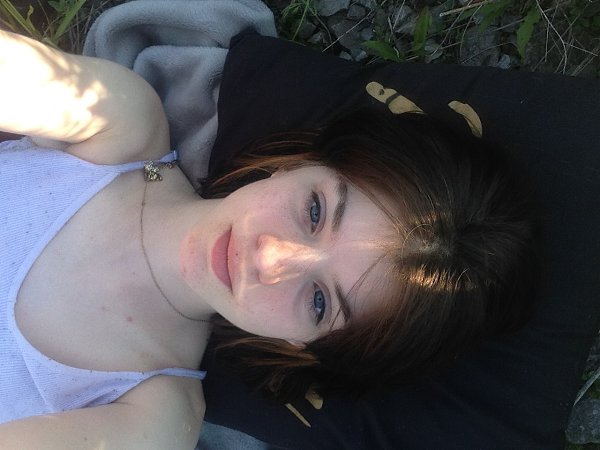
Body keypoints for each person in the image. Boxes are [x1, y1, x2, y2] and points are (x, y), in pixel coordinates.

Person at [0, 28, 536, 449]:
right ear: (301, 163)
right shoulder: (121, 122)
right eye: (315, 211)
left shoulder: (154, 419)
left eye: (320, 300)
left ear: (306, 347)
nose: (271, 256)